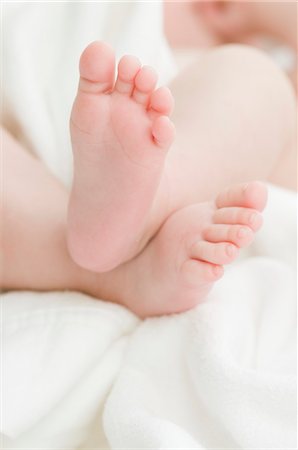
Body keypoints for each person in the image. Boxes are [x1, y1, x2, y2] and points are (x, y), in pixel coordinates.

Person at [2, 6, 296, 317]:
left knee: (256, 77)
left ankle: (157, 193)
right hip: (39, 88)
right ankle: (121, 270)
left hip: (174, 124)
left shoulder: (254, 51)